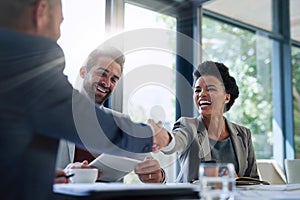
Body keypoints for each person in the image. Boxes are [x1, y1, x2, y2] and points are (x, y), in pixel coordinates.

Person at [0, 0, 170, 199]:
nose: (58, 34)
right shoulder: (29, 65)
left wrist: (40, 178)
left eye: (114, 78)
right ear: (41, 10)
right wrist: (149, 135)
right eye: (59, 23)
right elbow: (84, 121)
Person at [56, 46, 166, 184]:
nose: (106, 83)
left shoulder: (121, 123)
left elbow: (147, 161)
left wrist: (158, 175)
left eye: (114, 79)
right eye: (102, 73)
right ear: (83, 72)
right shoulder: (57, 113)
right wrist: (69, 173)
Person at [161, 61, 259, 182]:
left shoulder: (244, 134)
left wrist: (236, 181)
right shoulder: (188, 126)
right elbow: (174, 142)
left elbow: (254, 181)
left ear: (227, 97)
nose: (202, 94)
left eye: (210, 89)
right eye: (197, 90)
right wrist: (163, 138)